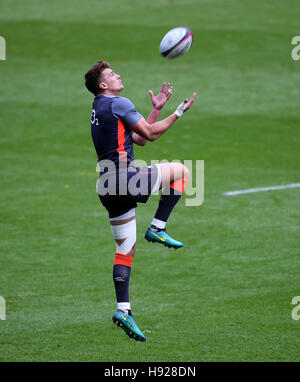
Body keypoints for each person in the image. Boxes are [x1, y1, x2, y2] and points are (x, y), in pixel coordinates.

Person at [84, 60, 196, 342]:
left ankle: (123, 309)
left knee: (125, 250)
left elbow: (137, 138)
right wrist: (179, 112)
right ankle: (158, 226)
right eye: (112, 74)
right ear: (103, 85)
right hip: (125, 180)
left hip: (106, 187)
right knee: (181, 172)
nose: (117, 75)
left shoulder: (99, 108)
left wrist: (156, 107)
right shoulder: (119, 102)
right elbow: (152, 134)